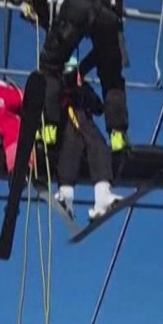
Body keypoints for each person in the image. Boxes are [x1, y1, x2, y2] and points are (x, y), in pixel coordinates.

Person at [17, 0, 129, 156]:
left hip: (76, 7)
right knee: (112, 78)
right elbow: (106, 46)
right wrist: (82, 69)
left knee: (49, 66)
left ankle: (48, 129)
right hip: (107, 17)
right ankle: (118, 135)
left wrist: (37, 6)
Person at [50, 55, 119, 218]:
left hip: (85, 127)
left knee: (99, 144)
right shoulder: (55, 87)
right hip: (64, 125)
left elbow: (98, 108)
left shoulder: (82, 88)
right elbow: (48, 104)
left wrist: (82, 90)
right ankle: (66, 193)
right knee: (70, 143)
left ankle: (102, 194)